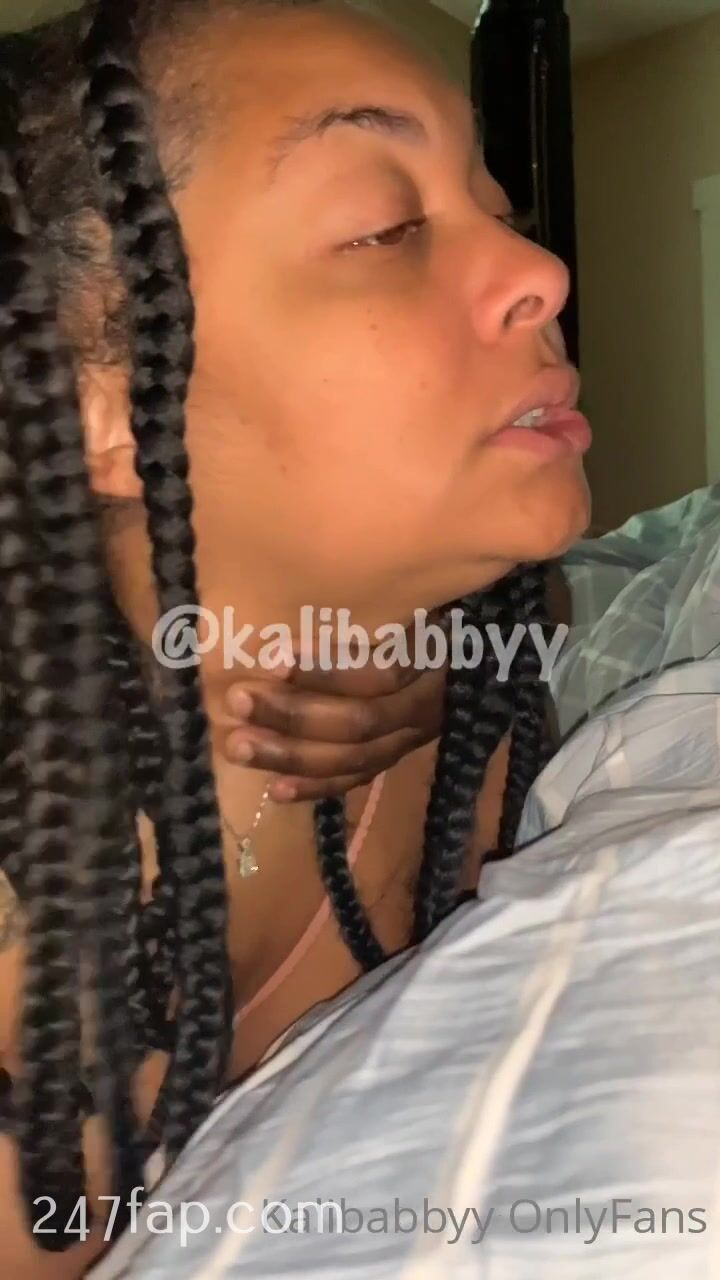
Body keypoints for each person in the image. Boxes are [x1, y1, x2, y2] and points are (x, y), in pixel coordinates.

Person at [0, 0, 591, 1274]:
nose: (540, 271)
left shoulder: (480, 698)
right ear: (106, 402)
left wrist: (459, 671)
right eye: (383, 227)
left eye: (496, 205)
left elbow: (579, 608)